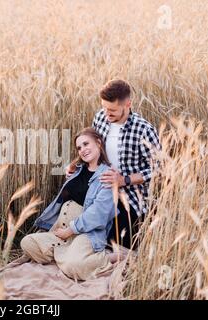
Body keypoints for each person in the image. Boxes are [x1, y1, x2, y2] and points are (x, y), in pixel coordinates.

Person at [67, 79, 162, 249]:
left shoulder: (144, 130)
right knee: (70, 200)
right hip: (100, 188)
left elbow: (160, 169)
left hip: (130, 198)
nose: (106, 113)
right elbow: (93, 146)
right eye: (104, 108)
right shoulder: (101, 118)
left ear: (127, 104)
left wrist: (123, 180)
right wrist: (76, 165)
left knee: (114, 245)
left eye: (112, 110)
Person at [20, 128, 117, 281]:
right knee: (28, 243)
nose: (83, 150)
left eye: (86, 144)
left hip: (85, 232)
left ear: (98, 143)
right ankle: (69, 255)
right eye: (79, 148)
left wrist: (70, 230)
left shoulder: (107, 175)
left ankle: (107, 258)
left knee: (74, 266)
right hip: (63, 229)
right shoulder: (77, 170)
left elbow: (99, 214)